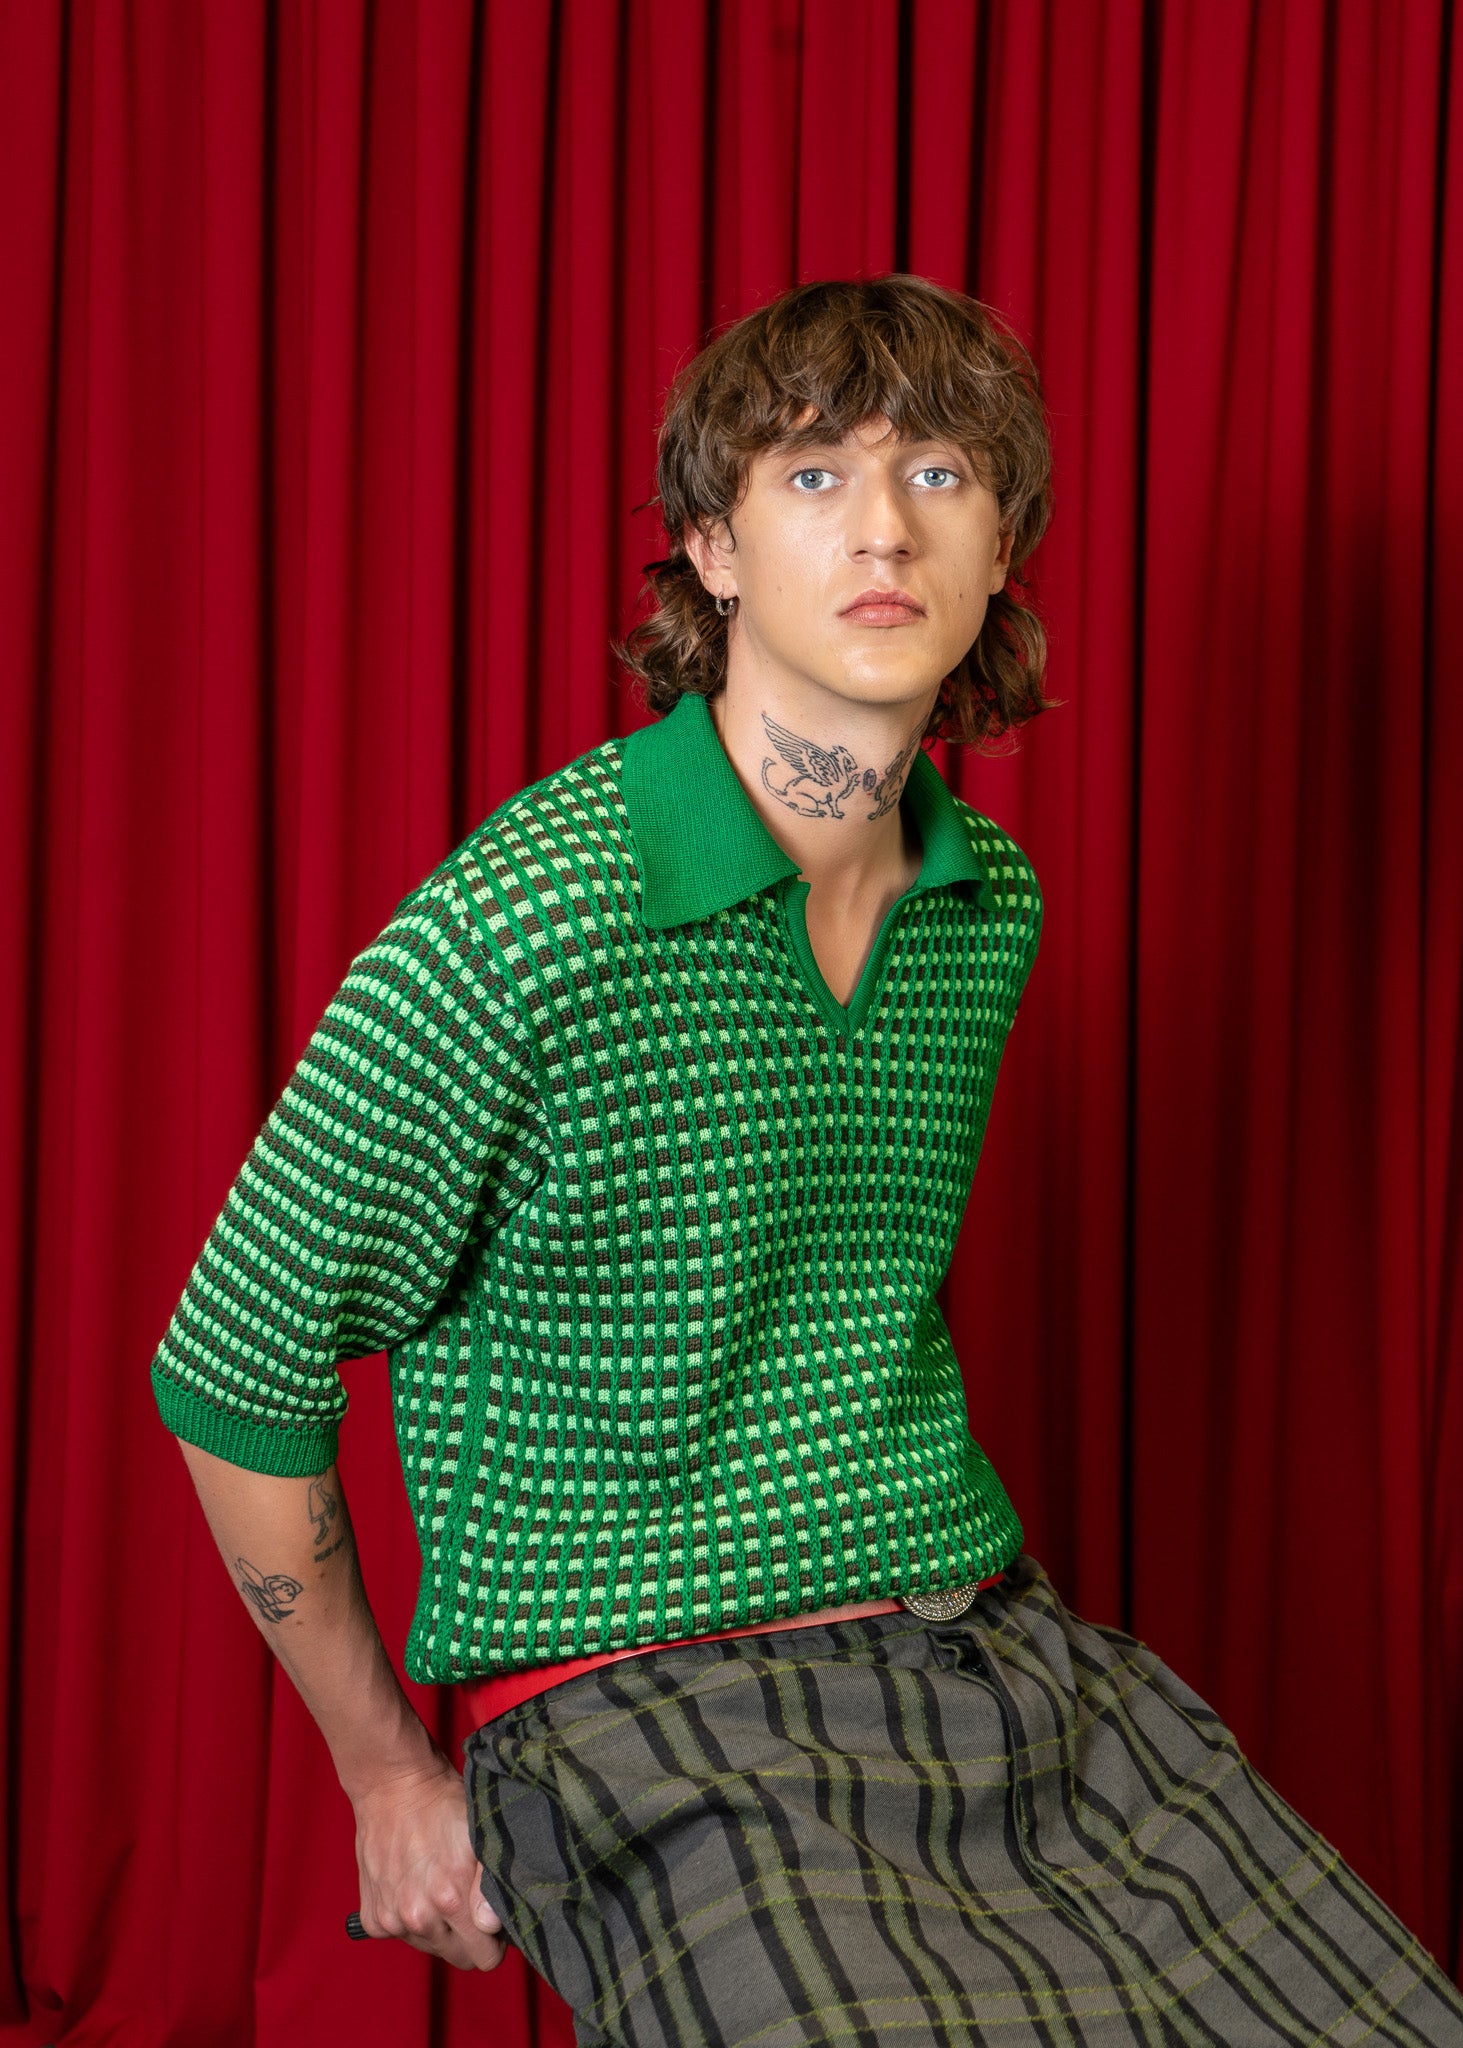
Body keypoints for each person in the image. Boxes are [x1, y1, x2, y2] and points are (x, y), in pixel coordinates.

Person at [151, 275, 1463, 2044]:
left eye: (940, 474)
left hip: (993, 1652)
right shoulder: (530, 919)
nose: (885, 527)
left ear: (1002, 549)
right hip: (648, 1704)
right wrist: (386, 1771)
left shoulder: (984, 907)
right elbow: (233, 1363)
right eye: (816, 475)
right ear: (712, 549)